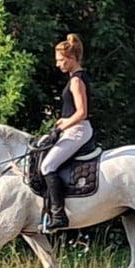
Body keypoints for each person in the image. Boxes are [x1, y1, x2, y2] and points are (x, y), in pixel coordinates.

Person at [39, 33, 94, 231]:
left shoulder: (76, 81)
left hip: (77, 130)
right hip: (72, 127)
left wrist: (62, 127)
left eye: (61, 60)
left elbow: (82, 112)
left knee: (47, 166)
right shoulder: (76, 78)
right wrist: (62, 120)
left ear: (71, 58)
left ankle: (58, 214)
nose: (58, 64)